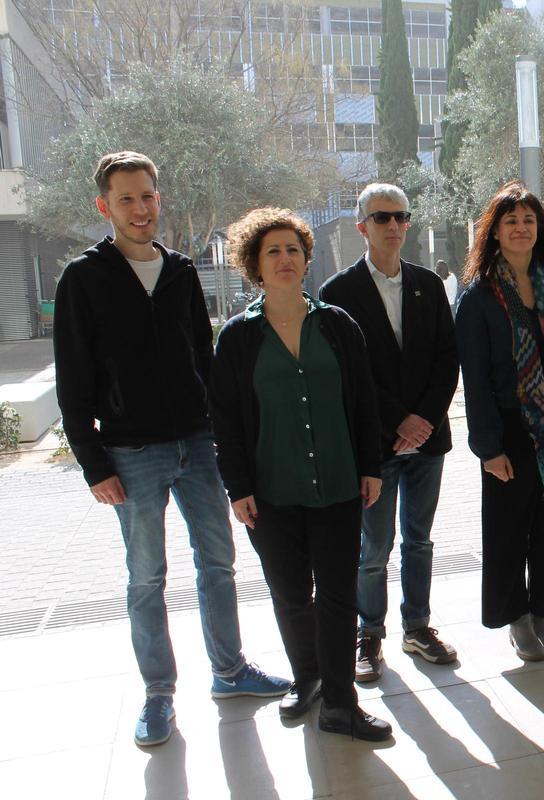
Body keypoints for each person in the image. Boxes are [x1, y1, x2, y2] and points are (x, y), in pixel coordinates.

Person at [53, 151, 288, 748]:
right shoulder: (83, 278)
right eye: (126, 199)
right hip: (131, 453)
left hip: (199, 445)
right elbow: (73, 378)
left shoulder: (182, 272)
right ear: (104, 206)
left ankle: (230, 671)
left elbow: (205, 363)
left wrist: (228, 441)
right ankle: (158, 694)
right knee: (146, 578)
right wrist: (93, 463)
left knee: (219, 563)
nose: (140, 209)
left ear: (159, 199)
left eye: (147, 196)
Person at [210, 207, 391, 742]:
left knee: (336, 595)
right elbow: (225, 420)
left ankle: (340, 702)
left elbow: (364, 403)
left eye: (293, 249)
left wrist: (371, 467)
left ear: (306, 259)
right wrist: (238, 486)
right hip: (270, 492)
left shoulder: (337, 325)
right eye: (273, 251)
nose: (285, 258)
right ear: (254, 264)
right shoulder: (238, 337)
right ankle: (308, 677)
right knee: (291, 594)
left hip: (337, 484)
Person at [455, 181, 544, 661]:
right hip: (508, 430)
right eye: (511, 221)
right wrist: (488, 448)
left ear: (540, 229)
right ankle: (516, 617)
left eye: (529, 220)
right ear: (494, 231)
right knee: (508, 530)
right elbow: (475, 379)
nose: (521, 228)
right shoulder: (478, 297)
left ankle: (543, 612)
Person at [319, 184, 459, 679]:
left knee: (420, 540)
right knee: (374, 548)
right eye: (382, 218)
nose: (394, 225)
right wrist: (398, 420)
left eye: (401, 216)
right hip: (374, 444)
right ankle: (369, 634)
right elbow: (347, 374)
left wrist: (423, 420)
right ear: (362, 226)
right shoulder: (337, 293)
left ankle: (417, 627)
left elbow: (447, 358)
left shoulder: (428, 284)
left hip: (427, 441)